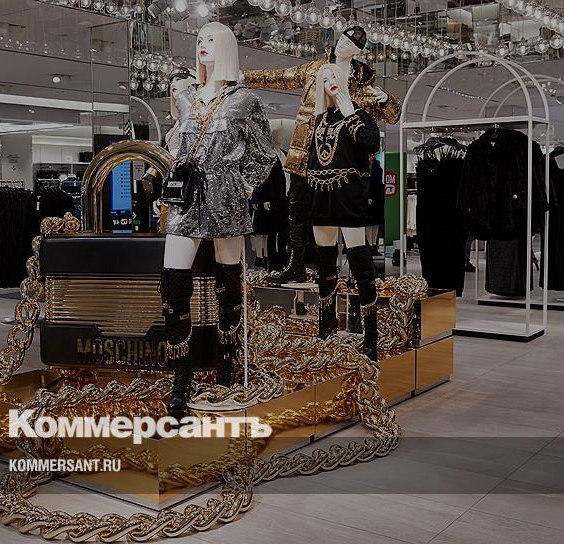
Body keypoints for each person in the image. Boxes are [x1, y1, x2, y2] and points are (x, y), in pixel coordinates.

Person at [160, 22, 275, 416]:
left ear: (226, 47)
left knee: (229, 285)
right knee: (173, 285)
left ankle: (227, 363)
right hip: (187, 199)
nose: (202, 45)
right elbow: (178, 145)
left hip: (226, 199)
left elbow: (264, 155)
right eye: (199, 40)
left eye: (211, 40)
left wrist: (241, 185)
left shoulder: (245, 100)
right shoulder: (186, 97)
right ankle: (181, 378)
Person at [244, 26, 401, 284]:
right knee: (298, 211)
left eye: (350, 43)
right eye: (342, 39)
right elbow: (281, 76)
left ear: (358, 51)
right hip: (306, 155)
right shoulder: (315, 70)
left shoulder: (364, 85)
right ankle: (297, 265)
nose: (342, 44)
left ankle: (358, 274)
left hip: (345, 164)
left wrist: (386, 99)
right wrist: (244, 78)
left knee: (346, 219)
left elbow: (393, 116)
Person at [306, 64, 381, 361]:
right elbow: (310, 157)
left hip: (348, 195)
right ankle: (326, 324)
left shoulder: (359, 115)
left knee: (360, 263)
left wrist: (350, 113)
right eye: (324, 79)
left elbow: (371, 143)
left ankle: (370, 333)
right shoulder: (318, 119)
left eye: (333, 77)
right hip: (320, 195)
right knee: (324, 264)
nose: (330, 82)